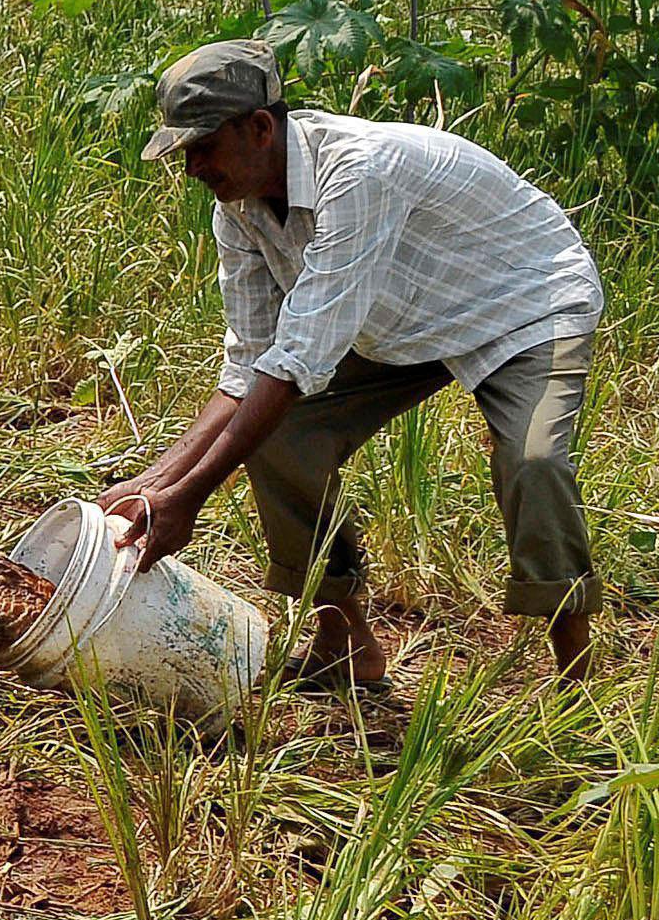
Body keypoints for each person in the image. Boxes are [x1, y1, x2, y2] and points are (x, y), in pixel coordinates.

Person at [99, 41, 604, 687]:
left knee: (532, 462)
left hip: (525, 302)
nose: (191, 166)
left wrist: (187, 499)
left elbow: (298, 358)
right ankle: (345, 642)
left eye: (202, 146)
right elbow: (250, 365)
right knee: (280, 434)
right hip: (397, 318)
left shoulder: (360, 173)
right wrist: (155, 483)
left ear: (260, 128)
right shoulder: (239, 208)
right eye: (182, 152)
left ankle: (576, 677)